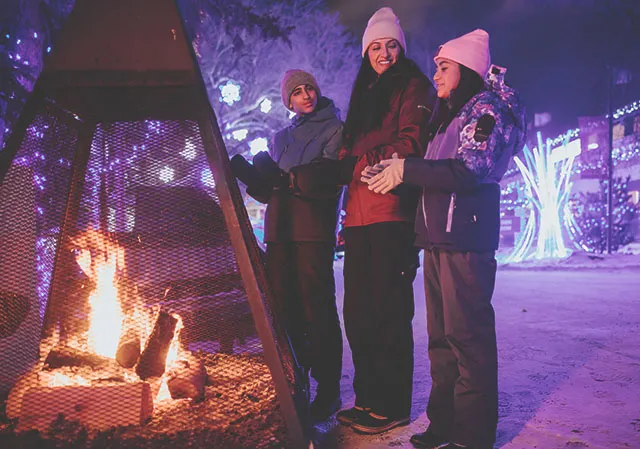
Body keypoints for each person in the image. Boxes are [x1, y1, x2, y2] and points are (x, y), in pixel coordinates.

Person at [362, 29, 527, 449]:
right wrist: (392, 174)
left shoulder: (485, 110)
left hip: (465, 241)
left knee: (467, 339)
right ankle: (444, 425)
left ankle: (472, 436)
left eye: (443, 67)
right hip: (437, 241)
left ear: (467, 68)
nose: (435, 73)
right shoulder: (448, 117)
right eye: (436, 66)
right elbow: (433, 179)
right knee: (440, 341)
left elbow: (470, 170)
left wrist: (409, 168)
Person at [331, 7, 436, 435]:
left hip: (392, 215)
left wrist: (356, 164)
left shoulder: (413, 86)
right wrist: (347, 165)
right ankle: (368, 398)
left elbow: (410, 141)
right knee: (357, 314)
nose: (384, 53)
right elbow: (346, 152)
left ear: (401, 48)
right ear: (366, 53)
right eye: (375, 46)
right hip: (357, 220)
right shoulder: (365, 96)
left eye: (391, 45)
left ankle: (391, 403)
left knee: (388, 312)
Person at [231, 69, 344, 421]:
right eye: (297, 91)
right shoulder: (279, 138)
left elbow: (328, 179)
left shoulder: (335, 128)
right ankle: (295, 380)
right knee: (285, 308)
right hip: (279, 230)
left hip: (312, 230)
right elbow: (270, 191)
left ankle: (328, 389)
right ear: (288, 100)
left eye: (309, 87)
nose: (306, 95)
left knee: (318, 308)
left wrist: (286, 178)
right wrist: (247, 171)